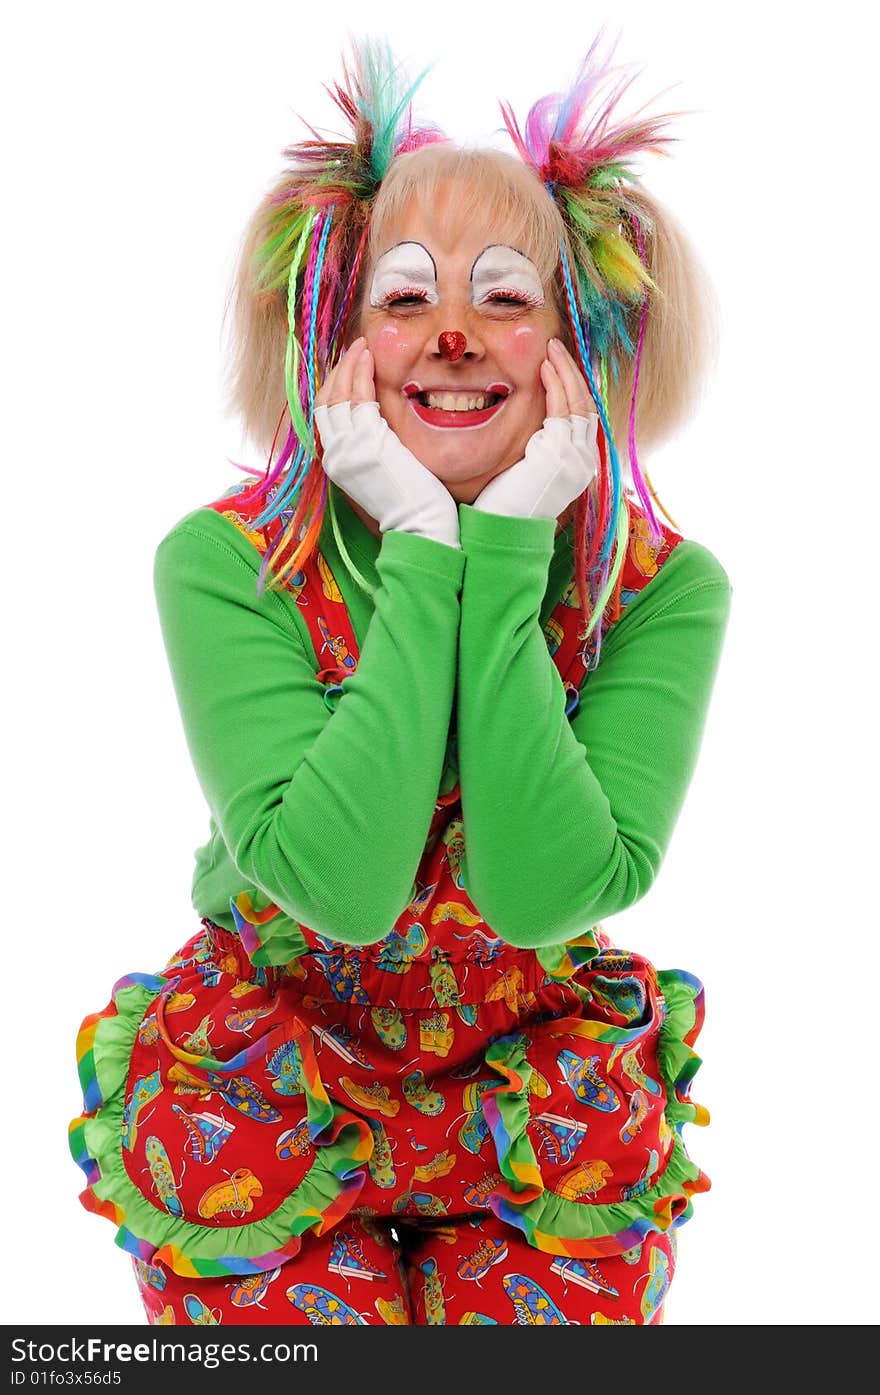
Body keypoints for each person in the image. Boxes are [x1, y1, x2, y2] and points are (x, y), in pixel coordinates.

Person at [70, 33, 732, 1327]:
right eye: (404, 297)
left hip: (532, 1099)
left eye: (504, 297)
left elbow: (545, 894)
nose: (450, 337)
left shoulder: (656, 588)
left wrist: (513, 546)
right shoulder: (227, 565)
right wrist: (426, 547)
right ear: (337, 333)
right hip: (269, 1091)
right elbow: (341, 888)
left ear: (578, 339)